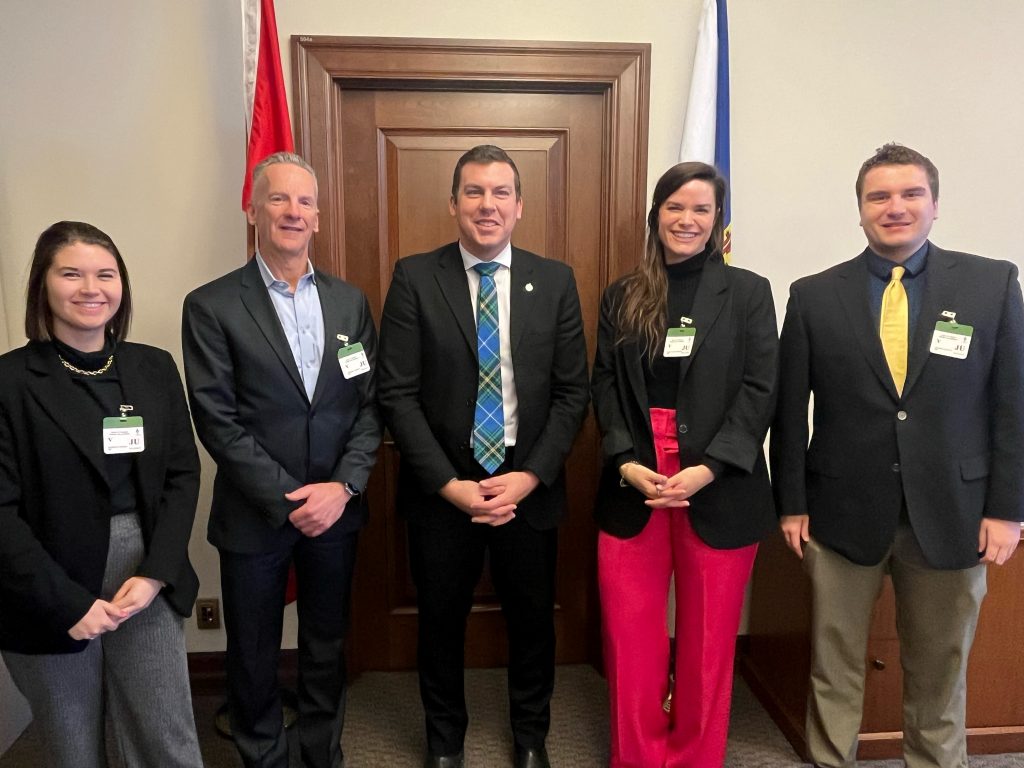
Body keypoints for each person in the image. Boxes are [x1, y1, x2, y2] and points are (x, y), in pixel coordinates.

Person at [771, 143, 1024, 768]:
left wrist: (1008, 509)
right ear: (859, 210)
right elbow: (786, 411)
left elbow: (1013, 405)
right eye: (879, 197)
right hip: (838, 513)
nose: (895, 207)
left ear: (934, 204)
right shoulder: (812, 295)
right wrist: (791, 504)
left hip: (955, 514)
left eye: (911, 194)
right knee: (834, 669)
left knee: (940, 674)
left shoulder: (992, 284)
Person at [377, 144, 589, 768]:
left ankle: (530, 738)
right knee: (440, 624)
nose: (487, 205)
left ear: (520, 206)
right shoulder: (415, 277)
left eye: (501, 193)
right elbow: (396, 392)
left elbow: (574, 391)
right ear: (453, 204)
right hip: (443, 488)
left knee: (532, 623)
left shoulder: (554, 281)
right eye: (474, 192)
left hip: (530, 483)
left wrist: (531, 475)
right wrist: (448, 484)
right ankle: (445, 744)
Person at [182, 152, 381, 768]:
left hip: (337, 512)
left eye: (304, 202)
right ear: (253, 210)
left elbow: (368, 408)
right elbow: (217, 419)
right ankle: (263, 756)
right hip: (255, 515)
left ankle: (323, 752)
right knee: (253, 649)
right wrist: (294, 498)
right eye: (278, 199)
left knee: (326, 644)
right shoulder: (212, 306)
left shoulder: (350, 303)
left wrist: (342, 487)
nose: (293, 212)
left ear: (318, 217)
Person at [590, 162, 778, 768]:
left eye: (701, 209)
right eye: (675, 207)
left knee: (707, 642)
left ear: (716, 219)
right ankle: (639, 757)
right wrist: (623, 459)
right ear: (656, 214)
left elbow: (760, 388)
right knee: (631, 638)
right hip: (635, 484)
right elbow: (604, 386)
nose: (687, 219)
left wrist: (712, 466)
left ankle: (696, 757)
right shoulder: (623, 294)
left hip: (717, 484)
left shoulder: (749, 292)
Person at [0, 221, 203, 768]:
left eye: (105, 274)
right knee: (73, 748)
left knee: (167, 737)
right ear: (43, 285)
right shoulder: (10, 381)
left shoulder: (153, 366)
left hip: (146, 568)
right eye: (72, 273)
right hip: (47, 579)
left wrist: (158, 570)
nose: (91, 288)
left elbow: (182, 475)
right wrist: (66, 602)